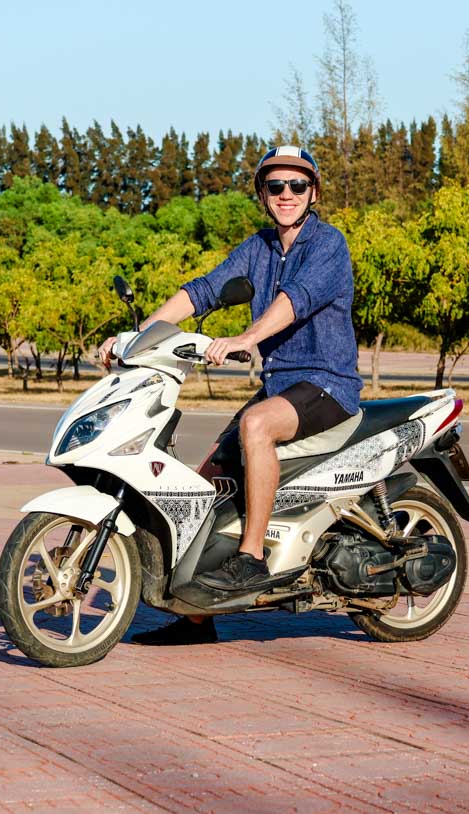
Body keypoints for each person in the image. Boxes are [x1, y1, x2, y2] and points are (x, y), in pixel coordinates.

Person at [98, 145, 362, 645]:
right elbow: (203, 290)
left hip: (328, 383)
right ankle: (198, 620)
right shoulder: (258, 249)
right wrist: (135, 338)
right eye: (276, 187)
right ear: (263, 195)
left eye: (297, 186)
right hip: (280, 386)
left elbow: (294, 301)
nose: (286, 195)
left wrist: (246, 339)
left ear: (314, 192)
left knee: (255, 426)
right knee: (204, 483)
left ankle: (253, 558)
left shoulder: (329, 244)